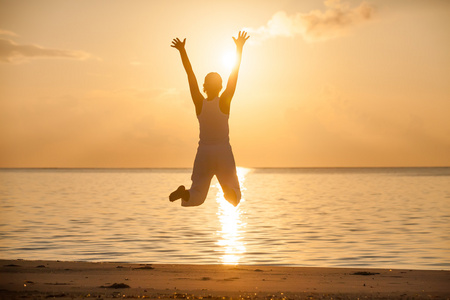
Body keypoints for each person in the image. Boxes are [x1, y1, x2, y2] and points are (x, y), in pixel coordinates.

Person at [169, 31, 249, 207]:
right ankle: (227, 191)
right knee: (234, 197)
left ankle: (184, 193)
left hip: (203, 153)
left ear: (204, 87)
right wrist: (239, 48)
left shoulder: (199, 103)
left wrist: (182, 51)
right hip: (223, 152)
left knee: (196, 195)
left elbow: (190, 75)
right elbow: (234, 76)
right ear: (220, 87)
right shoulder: (225, 102)